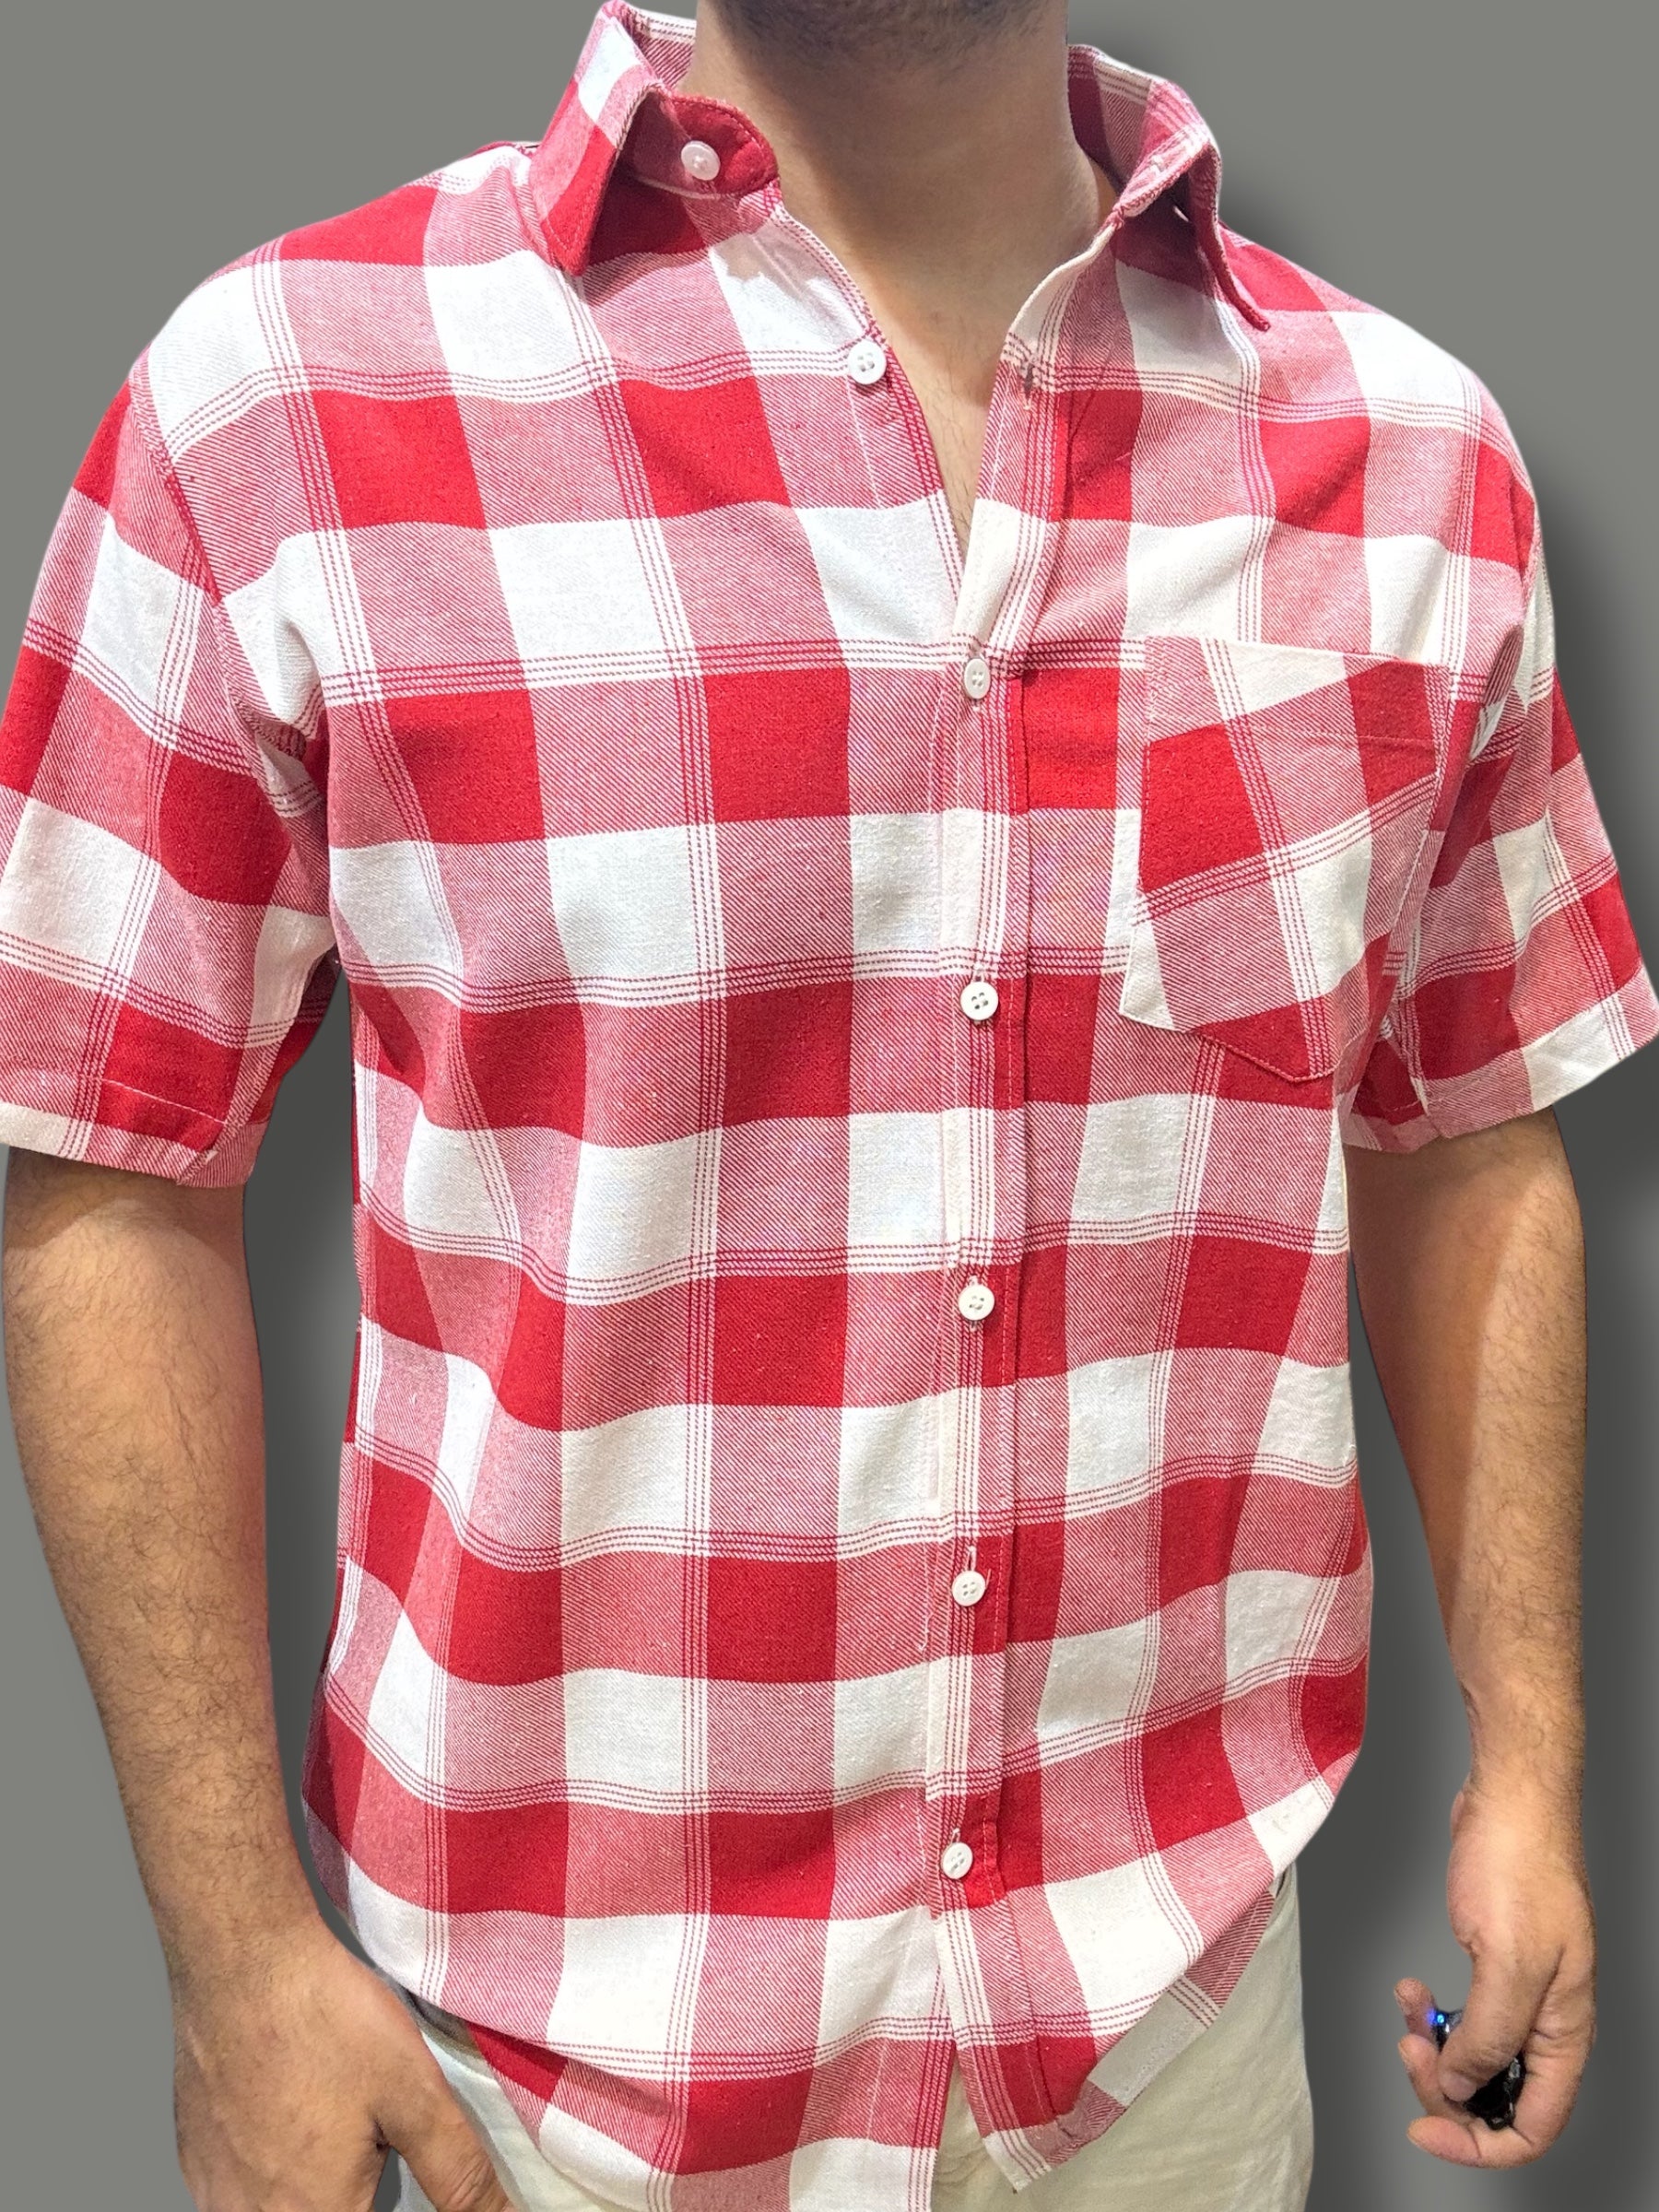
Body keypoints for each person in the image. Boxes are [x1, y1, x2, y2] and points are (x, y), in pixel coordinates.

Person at [1, 0, 1652, 2206]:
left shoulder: (1412, 455)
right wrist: (228, 1953)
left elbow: (1466, 1136)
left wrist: (1528, 1760)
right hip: (546, 2098)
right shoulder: (276, 409)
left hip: (1169, 2045)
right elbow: (110, 1171)